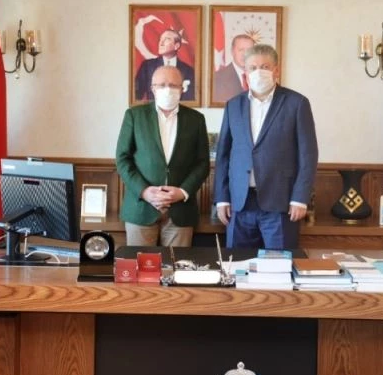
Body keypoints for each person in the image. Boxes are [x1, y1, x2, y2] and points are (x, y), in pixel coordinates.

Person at [214, 44, 318, 249]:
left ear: (276, 70)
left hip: (280, 204)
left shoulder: (297, 103)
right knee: (238, 264)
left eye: (265, 66)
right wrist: (222, 198)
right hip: (240, 204)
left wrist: (300, 198)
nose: (258, 72)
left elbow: (308, 155)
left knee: (278, 264)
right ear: (245, 72)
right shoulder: (233, 105)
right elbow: (223, 155)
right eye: (252, 68)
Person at [116, 65, 210, 246]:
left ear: (182, 89)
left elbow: (202, 163)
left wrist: (182, 192)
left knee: (178, 263)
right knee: (140, 263)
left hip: (181, 211)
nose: (168, 89)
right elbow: (122, 159)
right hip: (141, 208)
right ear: (153, 88)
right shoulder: (134, 116)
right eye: (162, 85)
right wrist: (145, 191)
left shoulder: (196, 119)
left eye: (173, 85)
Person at [134, 29, 195, 102]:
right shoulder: (147, 66)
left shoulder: (188, 71)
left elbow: (190, 100)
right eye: (160, 39)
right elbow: (136, 95)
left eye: (166, 39)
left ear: (176, 46)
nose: (161, 43)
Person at [212, 34, 255, 103]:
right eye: (241, 50)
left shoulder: (260, 77)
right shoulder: (218, 78)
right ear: (232, 51)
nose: (245, 54)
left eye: (249, 50)